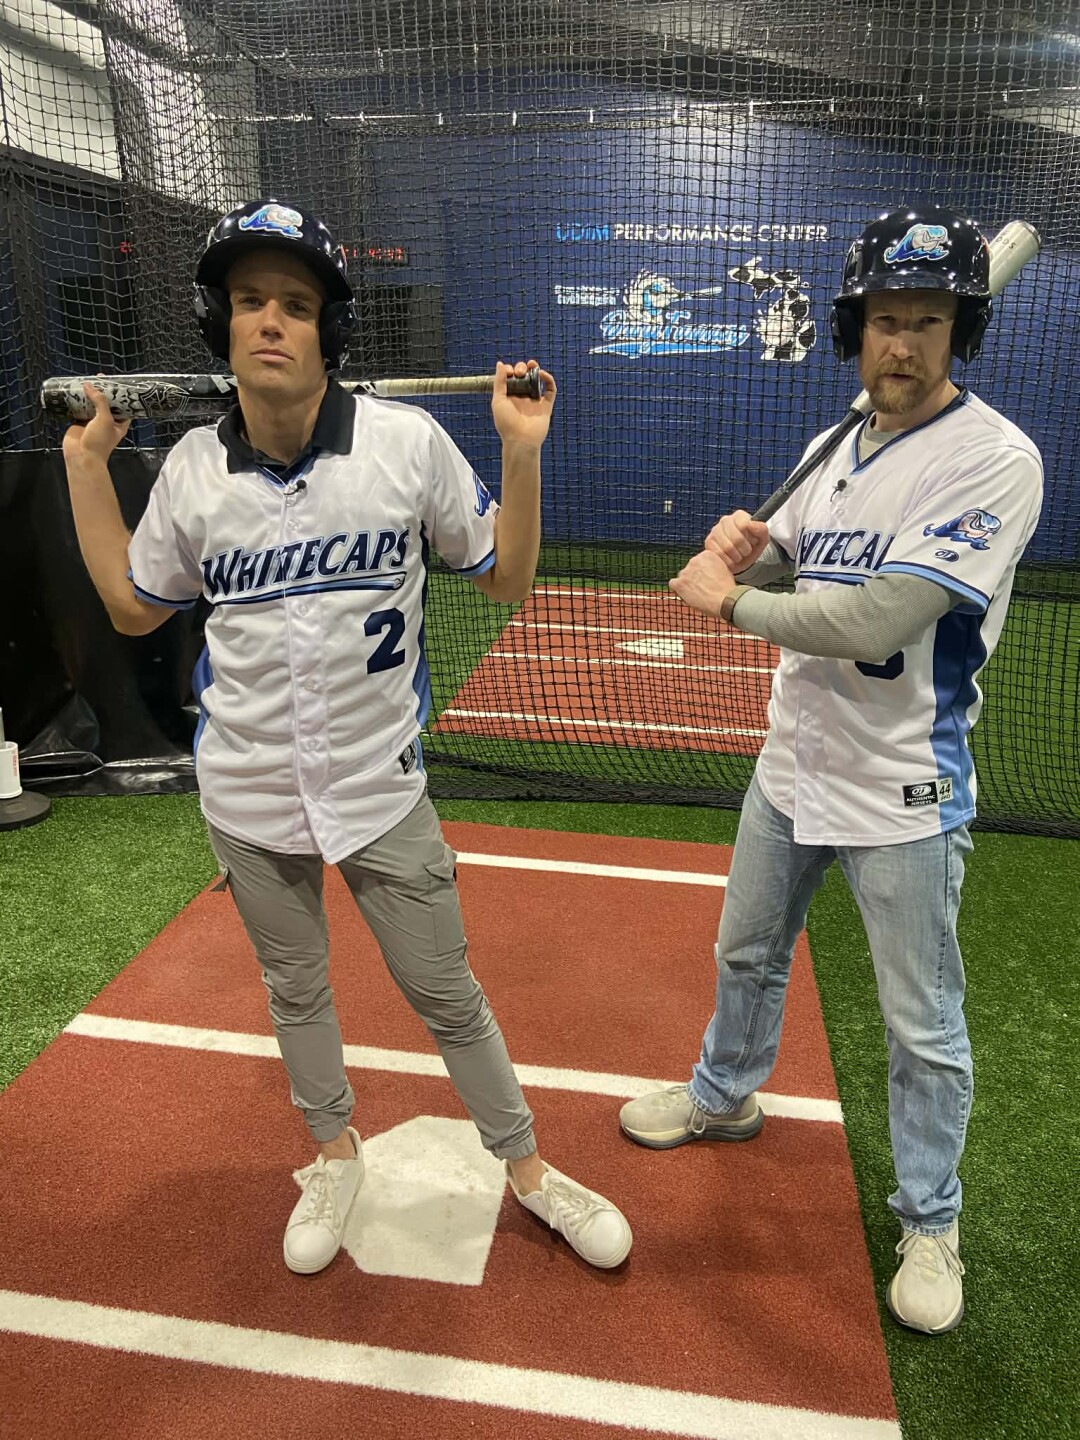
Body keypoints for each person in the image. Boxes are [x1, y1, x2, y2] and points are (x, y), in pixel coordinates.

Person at [62, 198, 632, 1277]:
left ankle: (532, 1172)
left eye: (294, 304)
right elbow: (137, 608)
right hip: (247, 794)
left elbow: (504, 578)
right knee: (296, 990)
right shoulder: (189, 469)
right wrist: (89, 471)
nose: (269, 322)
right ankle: (334, 1154)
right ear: (221, 329)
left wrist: (521, 453)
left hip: (379, 788)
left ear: (330, 332)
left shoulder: (405, 445)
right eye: (247, 304)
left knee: (445, 992)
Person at [619, 205, 1043, 1335]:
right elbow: (809, 547)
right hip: (795, 763)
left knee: (921, 1024)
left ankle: (931, 1213)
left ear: (962, 334)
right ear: (857, 331)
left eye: (931, 322)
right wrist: (758, 543)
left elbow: (880, 615)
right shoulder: (844, 445)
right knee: (748, 951)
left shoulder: (996, 460)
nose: (903, 344)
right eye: (887, 321)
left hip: (904, 783)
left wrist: (733, 599)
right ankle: (724, 1098)